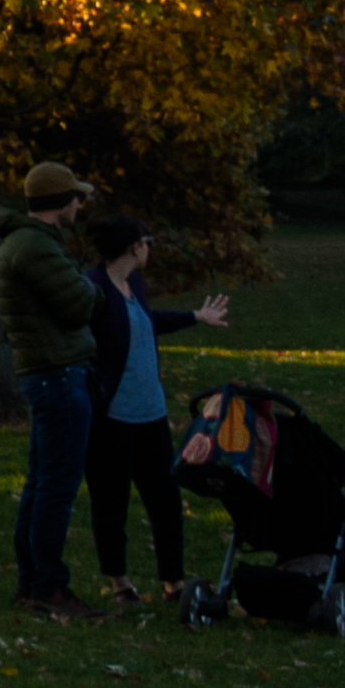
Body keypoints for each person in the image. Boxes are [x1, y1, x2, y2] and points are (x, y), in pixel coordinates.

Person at [77, 213, 230, 604]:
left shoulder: (133, 285)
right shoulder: (93, 288)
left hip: (151, 416)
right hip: (112, 418)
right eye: (148, 243)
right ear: (135, 247)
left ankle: (173, 583)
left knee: (165, 499)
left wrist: (196, 316)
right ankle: (120, 582)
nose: (150, 250)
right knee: (111, 501)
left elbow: (146, 323)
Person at [0, 161, 105, 613]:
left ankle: (33, 581)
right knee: (57, 484)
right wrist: (93, 287)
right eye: (75, 197)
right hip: (57, 374)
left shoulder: (30, 243)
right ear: (59, 202)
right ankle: (49, 586)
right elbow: (79, 305)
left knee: (42, 482)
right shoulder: (35, 248)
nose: (80, 204)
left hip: (49, 373)